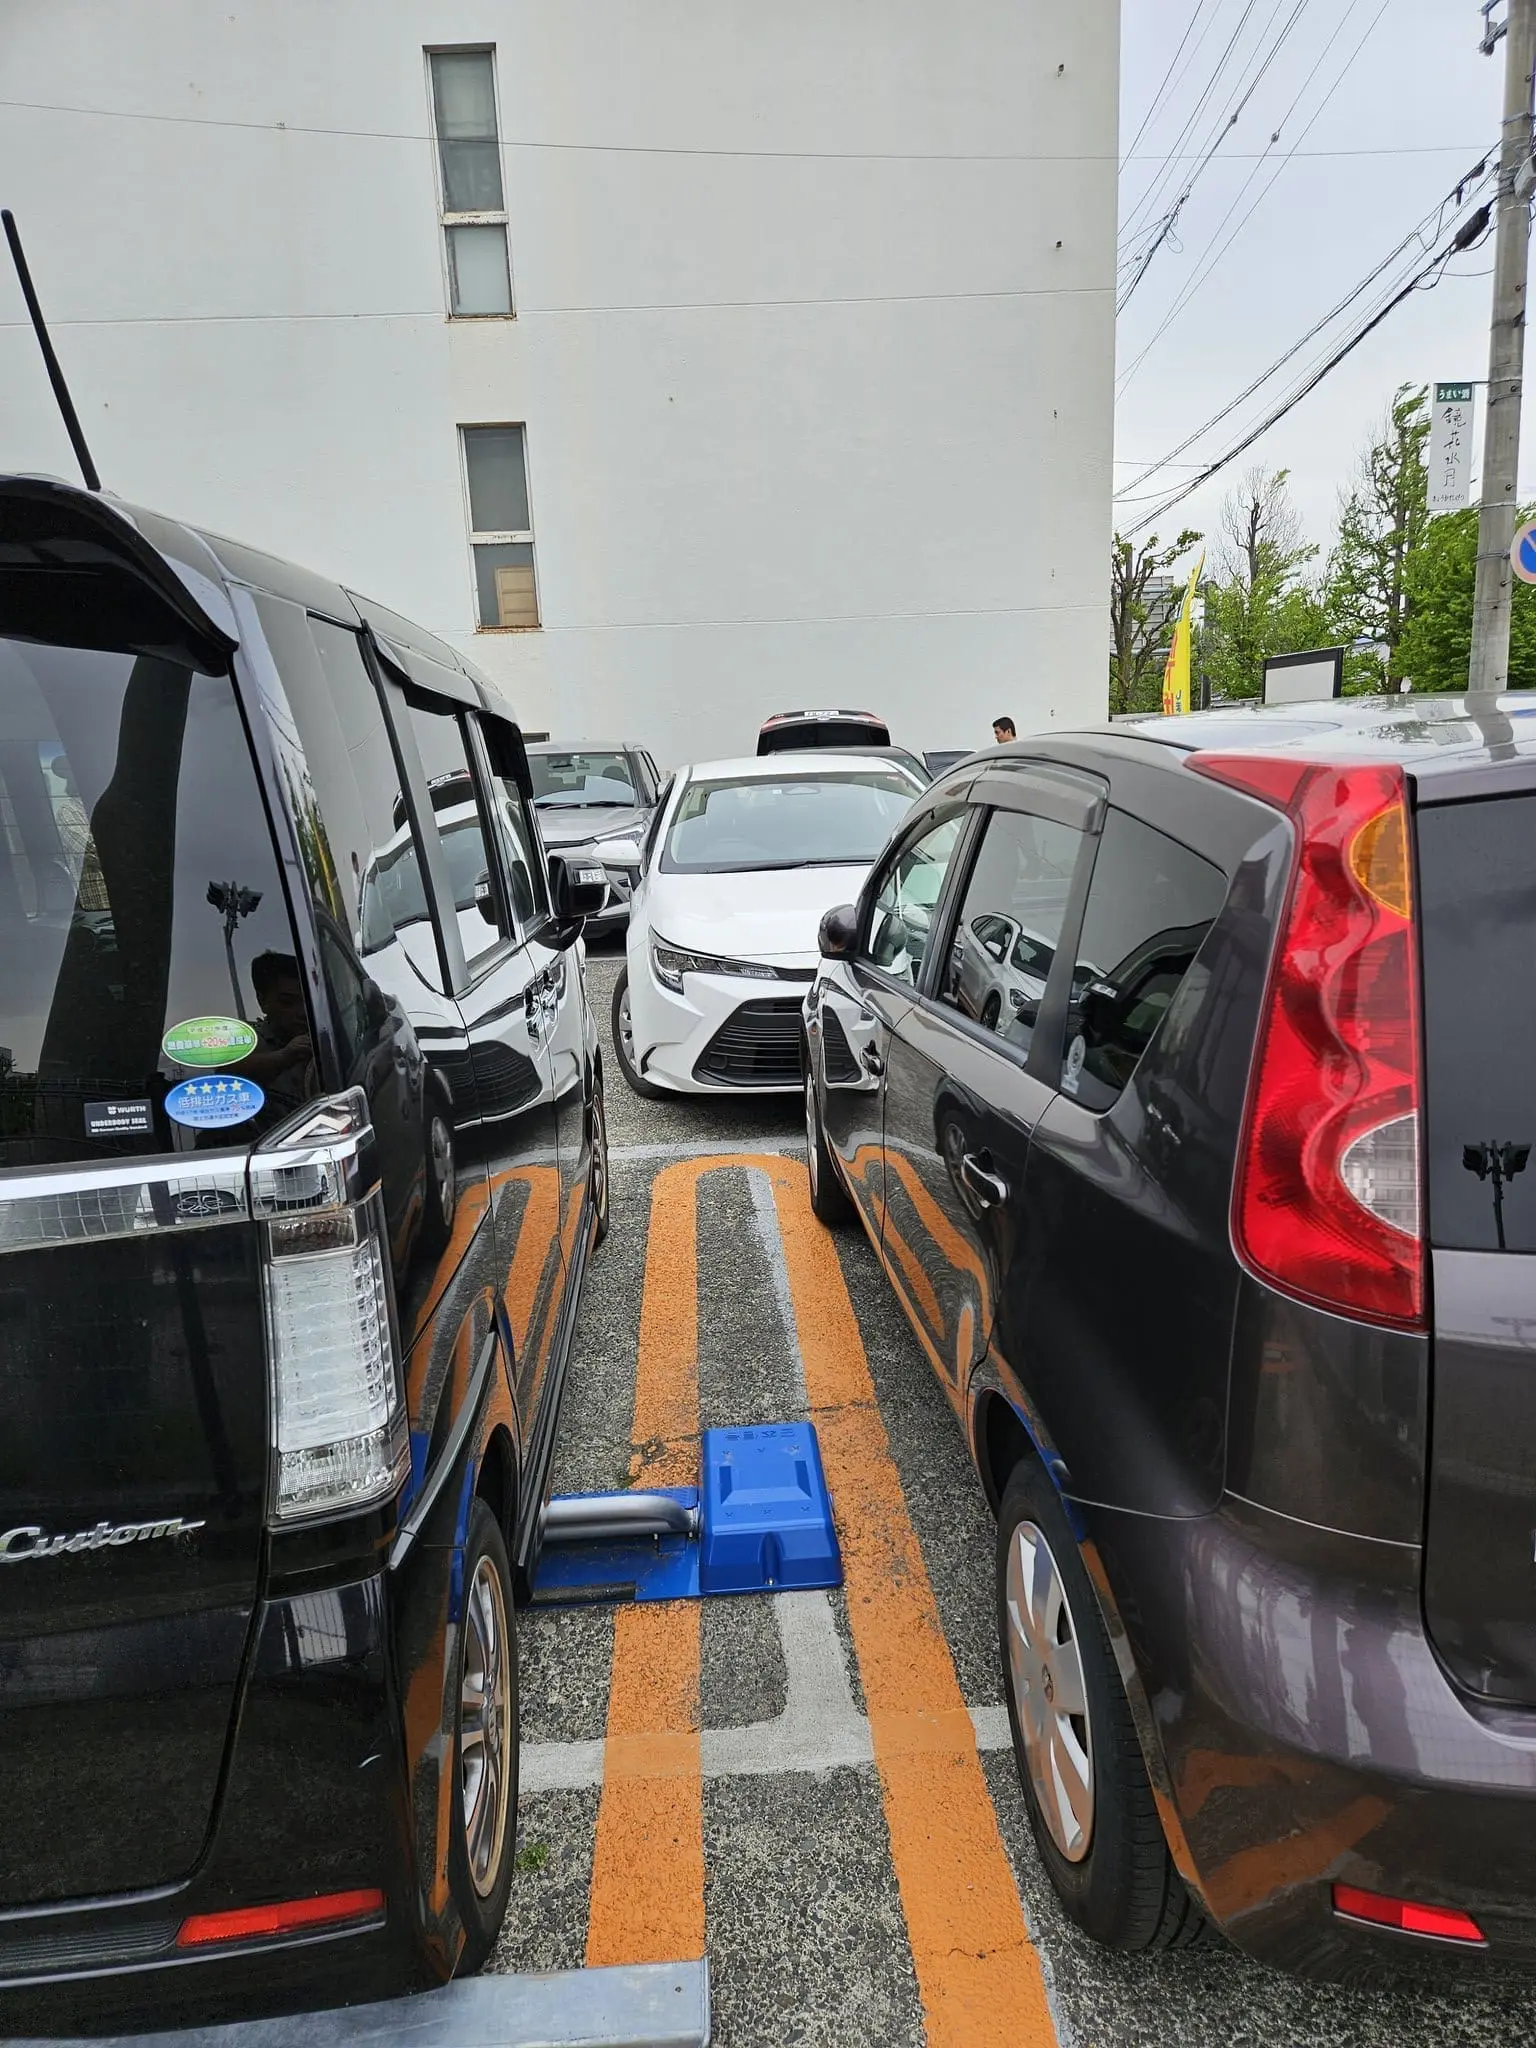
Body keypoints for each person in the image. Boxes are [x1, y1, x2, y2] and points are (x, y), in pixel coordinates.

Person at [238, 950, 317, 1122]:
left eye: (309, 1000)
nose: (303, 1012)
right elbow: (229, 1072)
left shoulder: (329, 1036)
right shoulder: (248, 1045)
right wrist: (284, 1057)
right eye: (287, 1002)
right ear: (262, 1001)